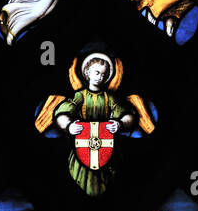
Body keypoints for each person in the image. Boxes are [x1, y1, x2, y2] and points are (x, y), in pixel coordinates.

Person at [49, 53, 135, 196]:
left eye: (103, 74)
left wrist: (120, 124)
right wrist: (69, 126)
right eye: (97, 72)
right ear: (87, 72)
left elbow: (128, 115)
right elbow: (62, 114)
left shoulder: (110, 98)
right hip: (81, 150)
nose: (100, 77)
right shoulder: (79, 96)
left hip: (107, 150)